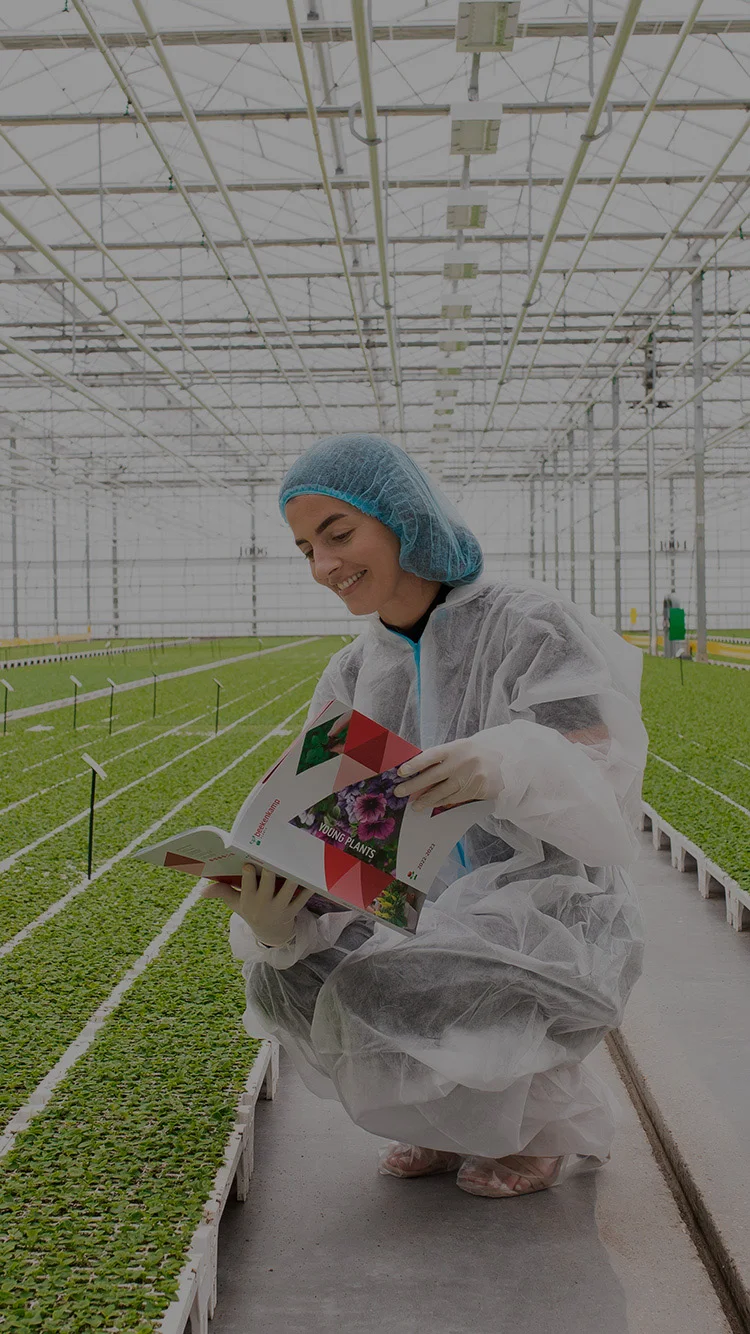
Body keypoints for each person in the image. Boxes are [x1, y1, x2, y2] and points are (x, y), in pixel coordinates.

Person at [203, 433, 647, 1199]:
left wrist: (514, 764)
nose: (324, 566)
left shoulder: (529, 624)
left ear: (405, 518)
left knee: (470, 964)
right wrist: (282, 917)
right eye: (305, 547)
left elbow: (605, 788)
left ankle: (538, 1128)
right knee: (289, 974)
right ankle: (446, 1128)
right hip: (414, 904)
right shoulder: (352, 669)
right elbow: (340, 827)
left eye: (338, 534)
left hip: (545, 907)